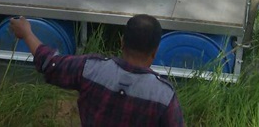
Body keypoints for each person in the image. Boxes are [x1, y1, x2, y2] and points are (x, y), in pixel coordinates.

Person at [9, 14, 185, 126]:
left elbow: (50, 63)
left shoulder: (90, 68)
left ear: (122, 42)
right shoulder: (164, 96)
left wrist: (27, 33)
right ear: (155, 52)